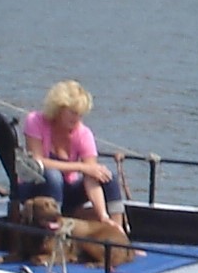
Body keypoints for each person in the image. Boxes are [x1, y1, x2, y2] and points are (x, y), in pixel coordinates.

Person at [17, 79, 128, 231]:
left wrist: (102, 215)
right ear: (58, 108)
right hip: (34, 190)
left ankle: (118, 232)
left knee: (107, 176)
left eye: (80, 115)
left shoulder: (84, 134)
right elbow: (37, 162)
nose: (76, 118)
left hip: (67, 194)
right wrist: (81, 167)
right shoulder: (35, 121)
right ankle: (54, 231)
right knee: (53, 176)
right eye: (73, 112)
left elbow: (91, 175)